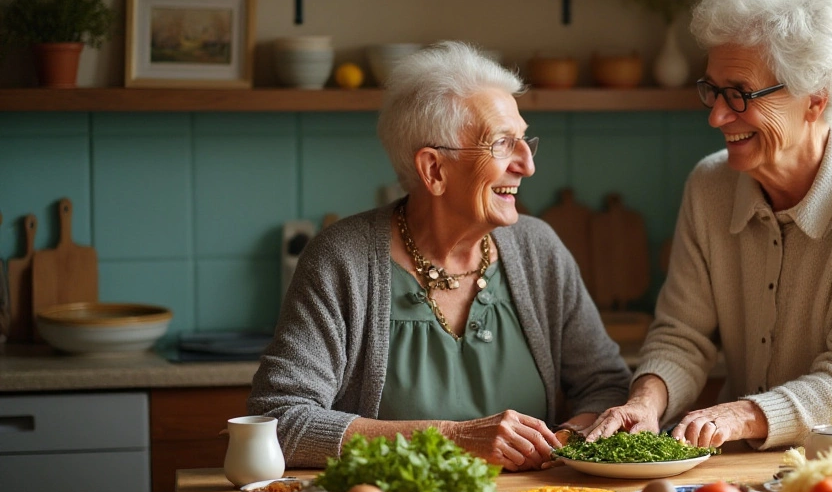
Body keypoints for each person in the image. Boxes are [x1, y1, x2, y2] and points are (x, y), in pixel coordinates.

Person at [586, 0, 832, 450]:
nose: (716, 116)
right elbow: (682, 334)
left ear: (814, 100)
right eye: (713, 91)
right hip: (752, 464)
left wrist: (737, 416)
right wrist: (645, 404)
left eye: (739, 95)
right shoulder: (710, 185)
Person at [249, 41, 632, 470]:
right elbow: (279, 421)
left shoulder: (538, 248)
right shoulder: (343, 260)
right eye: (502, 145)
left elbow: (608, 387)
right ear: (433, 169)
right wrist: (454, 439)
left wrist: (559, 443)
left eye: (524, 141)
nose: (527, 165)